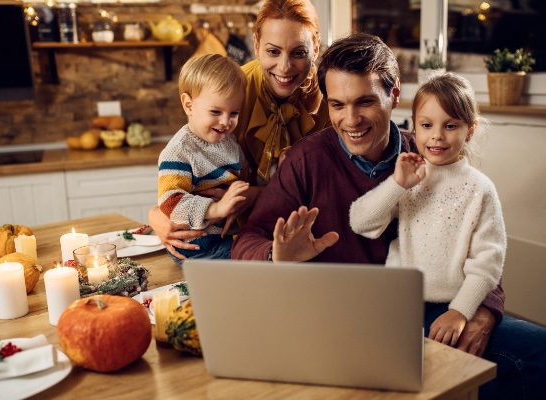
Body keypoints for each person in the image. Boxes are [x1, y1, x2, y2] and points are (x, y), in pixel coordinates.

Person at [232, 32, 546, 399]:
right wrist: (276, 255)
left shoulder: (431, 153)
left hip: (424, 315)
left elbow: (484, 249)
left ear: (394, 93)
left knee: (537, 354)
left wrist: (484, 312)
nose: (350, 120)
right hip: (336, 321)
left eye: (365, 101)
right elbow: (249, 239)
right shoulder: (306, 161)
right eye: (337, 105)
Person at [149, 0, 330, 260]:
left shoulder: (332, 98)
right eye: (273, 52)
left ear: (315, 46)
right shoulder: (232, 92)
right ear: (256, 45)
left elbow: (333, 187)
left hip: (309, 232)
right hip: (237, 237)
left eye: (299, 53)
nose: (285, 67)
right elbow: (184, 173)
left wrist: (256, 194)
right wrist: (156, 214)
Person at [349, 73, 506, 347]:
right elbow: (361, 222)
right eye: (426, 124)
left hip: (452, 306)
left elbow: (487, 263)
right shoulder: (409, 176)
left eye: (450, 126)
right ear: (415, 126)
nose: (436, 135)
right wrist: (398, 184)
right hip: (400, 306)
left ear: (469, 130)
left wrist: (460, 311)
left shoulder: (480, 189)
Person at [157, 54, 250, 264]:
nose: (226, 122)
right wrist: (217, 208)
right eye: (215, 112)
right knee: (252, 263)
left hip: (225, 237)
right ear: (188, 105)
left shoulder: (230, 143)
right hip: (196, 246)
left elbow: (246, 178)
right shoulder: (179, 150)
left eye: (234, 113)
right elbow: (170, 201)